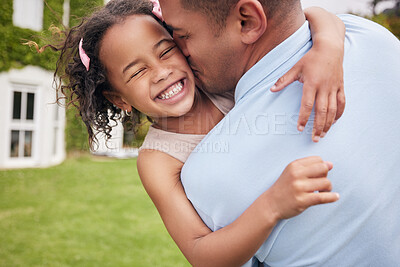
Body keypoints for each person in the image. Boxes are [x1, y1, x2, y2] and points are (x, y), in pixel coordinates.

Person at [44, 0, 344, 266]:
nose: (161, 72)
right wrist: (273, 206)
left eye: (166, 51)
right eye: (136, 72)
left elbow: (308, 13)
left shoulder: (220, 80)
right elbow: (200, 253)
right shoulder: (157, 160)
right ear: (119, 99)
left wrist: (328, 48)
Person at [158, 0, 400, 266]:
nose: (177, 52)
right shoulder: (372, 38)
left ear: (247, 21)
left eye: (181, 35)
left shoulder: (211, 173)